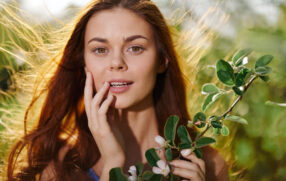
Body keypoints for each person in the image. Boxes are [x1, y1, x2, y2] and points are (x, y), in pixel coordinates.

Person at [6, 0, 228, 180]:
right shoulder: (60, 168)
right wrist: (113, 163)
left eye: (135, 48)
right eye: (100, 49)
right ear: (84, 64)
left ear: (162, 60)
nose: (116, 62)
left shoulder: (208, 166)